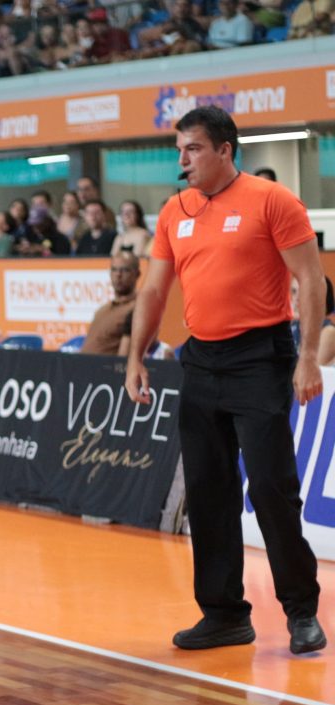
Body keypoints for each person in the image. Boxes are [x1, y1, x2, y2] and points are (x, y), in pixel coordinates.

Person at [124, 106, 326, 655]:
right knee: (208, 491)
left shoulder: (272, 200)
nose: (183, 160)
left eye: (192, 149)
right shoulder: (175, 210)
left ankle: (301, 612)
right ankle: (224, 615)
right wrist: (136, 356)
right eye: (179, 150)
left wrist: (308, 356)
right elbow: (153, 290)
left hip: (260, 358)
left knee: (270, 488)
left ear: (224, 150)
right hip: (201, 360)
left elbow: (311, 279)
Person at [80, 252, 140, 355]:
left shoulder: (137, 309)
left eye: (125, 270)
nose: (118, 275)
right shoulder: (101, 310)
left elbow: (125, 357)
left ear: (137, 274)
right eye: (114, 270)